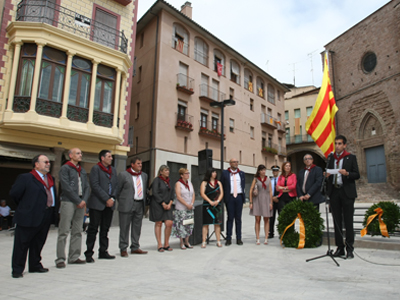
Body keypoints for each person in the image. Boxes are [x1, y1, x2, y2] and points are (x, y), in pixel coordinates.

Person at [10, 154, 56, 278]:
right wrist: (26, 207)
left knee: (38, 242)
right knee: (22, 243)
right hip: (28, 215)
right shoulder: (26, 178)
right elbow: (15, 194)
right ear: (36, 164)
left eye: (48, 162)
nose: (48, 164)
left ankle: (35, 265)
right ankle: (17, 269)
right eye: (45, 161)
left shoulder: (50, 179)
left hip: (45, 214)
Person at [326, 135, 360, 259]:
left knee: (348, 221)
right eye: (336, 143)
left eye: (340, 143)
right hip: (335, 192)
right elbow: (328, 174)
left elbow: (357, 174)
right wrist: (327, 175)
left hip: (347, 193)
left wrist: (348, 173)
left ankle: (349, 248)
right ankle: (339, 247)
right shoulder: (331, 158)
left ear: (344, 145)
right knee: (337, 222)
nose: (337, 146)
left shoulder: (351, 157)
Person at [55, 148, 90, 268]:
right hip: (68, 201)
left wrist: (84, 200)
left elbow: (86, 187)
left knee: (78, 230)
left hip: (81, 202)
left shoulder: (82, 170)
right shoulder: (65, 168)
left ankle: (74, 256)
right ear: (70, 155)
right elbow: (65, 186)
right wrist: (77, 200)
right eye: (78, 153)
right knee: (64, 230)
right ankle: (60, 258)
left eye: (81, 153)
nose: (81, 155)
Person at [85, 150, 118, 262]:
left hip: (110, 205)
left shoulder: (113, 170)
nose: (111, 158)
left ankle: (103, 251)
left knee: (105, 229)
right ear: (102, 158)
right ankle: (89, 253)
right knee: (93, 229)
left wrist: (112, 198)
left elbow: (115, 185)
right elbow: (95, 185)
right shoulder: (96, 169)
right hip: (97, 204)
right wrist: (106, 198)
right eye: (109, 156)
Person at [117, 157, 148, 257]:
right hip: (127, 204)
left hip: (139, 204)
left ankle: (135, 246)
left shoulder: (144, 176)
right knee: (124, 227)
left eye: (141, 164)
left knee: (137, 227)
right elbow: (118, 190)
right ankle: (123, 248)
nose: (140, 165)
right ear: (132, 164)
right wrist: (122, 201)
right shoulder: (123, 175)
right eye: (138, 163)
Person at [220, 158, 245, 246]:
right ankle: (228, 238)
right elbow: (221, 185)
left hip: (239, 197)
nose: (236, 163)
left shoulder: (241, 173)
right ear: (230, 163)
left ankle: (239, 238)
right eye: (234, 162)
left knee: (238, 219)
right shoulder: (225, 173)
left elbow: (243, 185)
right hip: (229, 197)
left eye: (237, 162)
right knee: (230, 218)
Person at [150, 165, 175, 252]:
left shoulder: (170, 181)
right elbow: (155, 193)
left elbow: (172, 193)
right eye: (165, 170)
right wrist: (163, 203)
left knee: (169, 223)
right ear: (161, 172)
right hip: (158, 205)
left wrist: (170, 203)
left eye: (168, 170)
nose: (167, 172)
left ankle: (166, 244)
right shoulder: (157, 180)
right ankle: (160, 244)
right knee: (159, 223)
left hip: (168, 205)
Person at [200, 168, 224, 248]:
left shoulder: (219, 183)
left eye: (215, 172)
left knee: (217, 224)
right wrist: (210, 201)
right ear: (209, 173)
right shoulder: (204, 183)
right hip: (207, 205)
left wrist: (218, 201)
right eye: (213, 172)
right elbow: (202, 194)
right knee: (205, 224)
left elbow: (221, 193)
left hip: (217, 205)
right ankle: (204, 241)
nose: (215, 173)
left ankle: (218, 241)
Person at [249, 164, 273, 245]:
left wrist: (271, 202)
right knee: (257, 219)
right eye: (262, 170)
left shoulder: (268, 179)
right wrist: (251, 202)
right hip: (257, 200)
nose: (263, 171)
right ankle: (258, 238)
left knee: (266, 219)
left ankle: (266, 238)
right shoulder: (256, 179)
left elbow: (270, 191)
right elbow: (251, 190)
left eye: (264, 170)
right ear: (259, 171)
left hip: (266, 200)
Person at [172, 168, 195, 250]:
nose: (188, 175)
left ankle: (187, 241)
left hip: (190, 208)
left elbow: (193, 194)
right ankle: (181, 242)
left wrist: (191, 203)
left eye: (188, 173)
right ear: (181, 175)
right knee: (181, 225)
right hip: (181, 208)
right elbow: (178, 196)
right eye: (186, 173)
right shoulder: (178, 184)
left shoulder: (190, 183)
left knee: (189, 224)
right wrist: (186, 204)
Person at [268, 165, 280, 238]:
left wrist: (277, 197)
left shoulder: (281, 180)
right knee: (271, 217)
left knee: (280, 216)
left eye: (276, 171)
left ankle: (281, 232)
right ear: (272, 172)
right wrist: (271, 198)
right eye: (274, 171)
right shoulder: (270, 180)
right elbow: (268, 190)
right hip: (271, 200)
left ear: (278, 172)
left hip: (279, 200)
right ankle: (271, 233)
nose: (275, 172)